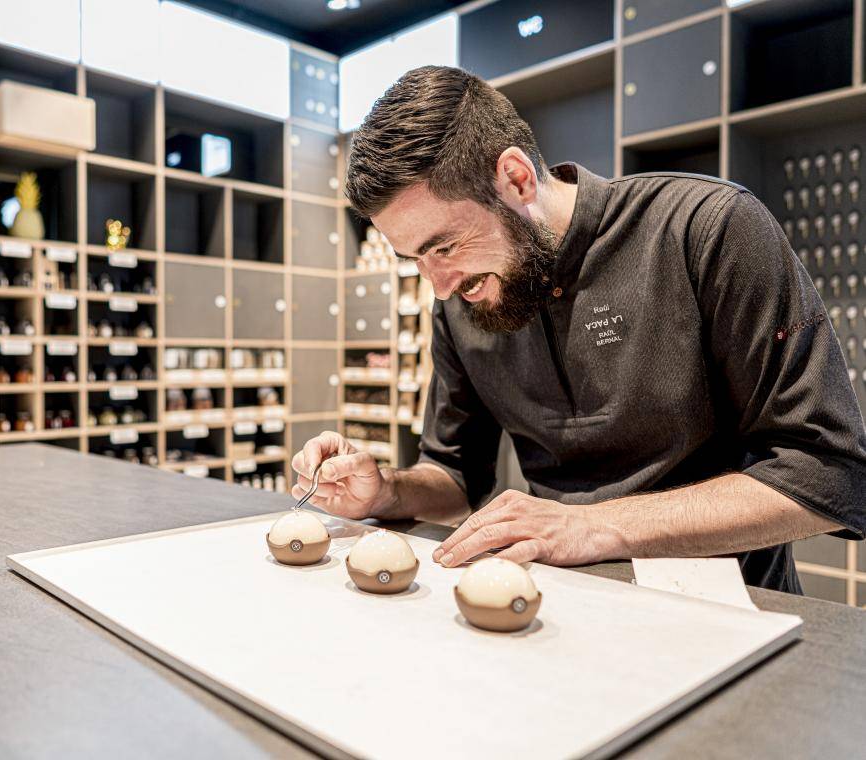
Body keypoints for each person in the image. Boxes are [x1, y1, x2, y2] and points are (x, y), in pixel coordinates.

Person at [291, 65, 866, 592]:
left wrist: (592, 526)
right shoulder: (460, 299)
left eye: (444, 245)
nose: (439, 286)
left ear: (515, 179)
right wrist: (387, 490)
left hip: (727, 612)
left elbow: (830, 476)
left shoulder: (707, 230)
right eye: (413, 258)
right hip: (550, 611)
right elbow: (454, 475)